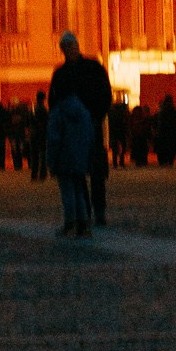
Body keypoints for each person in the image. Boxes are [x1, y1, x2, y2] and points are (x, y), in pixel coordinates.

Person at [49, 33, 114, 227]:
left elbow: (105, 95)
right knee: (77, 173)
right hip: (72, 131)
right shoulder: (61, 74)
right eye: (66, 47)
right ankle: (84, 212)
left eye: (72, 46)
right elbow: (55, 103)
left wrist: (97, 117)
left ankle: (99, 212)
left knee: (96, 173)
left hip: (92, 125)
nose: (70, 50)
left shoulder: (93, 68)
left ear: (77, 46)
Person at [47, 79, 96, 236]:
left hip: (63, 156)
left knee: (67, 191)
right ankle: (84, 225)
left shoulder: (58, 112)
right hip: (80, 156)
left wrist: (51, 161)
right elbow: (90, 135)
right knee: (80, 190)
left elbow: (53, 139)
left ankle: (70, 224)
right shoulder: (84, 111)